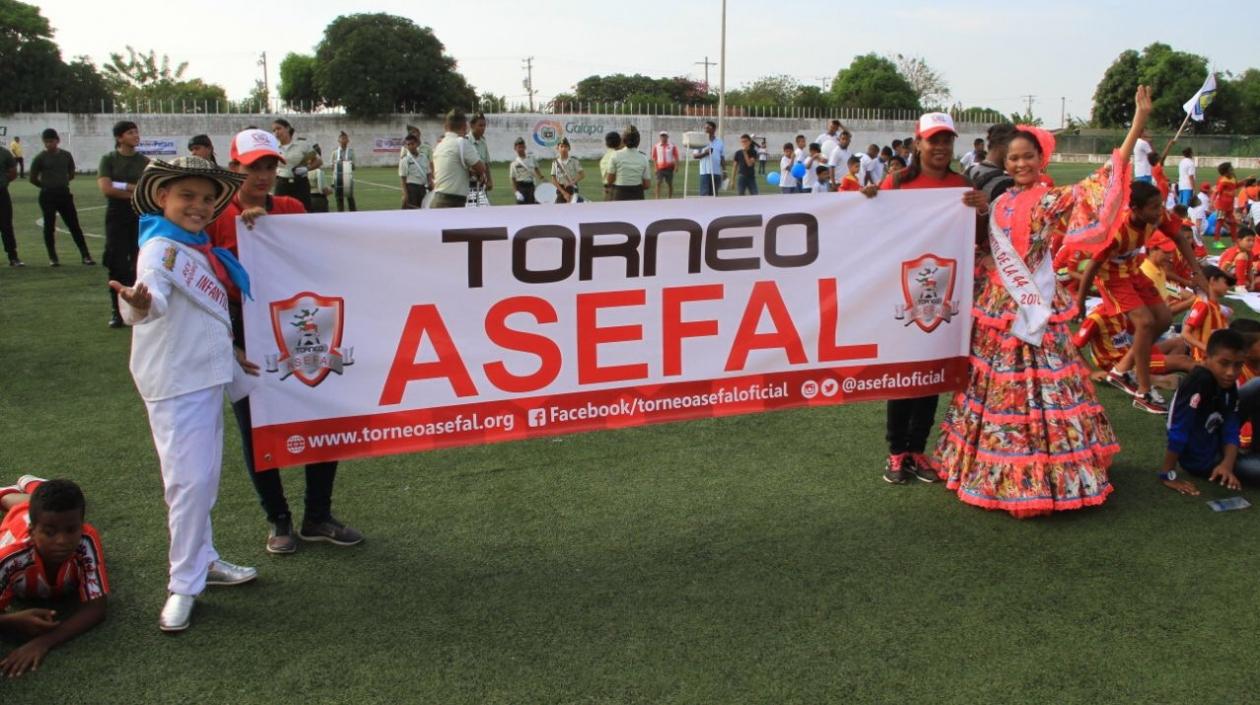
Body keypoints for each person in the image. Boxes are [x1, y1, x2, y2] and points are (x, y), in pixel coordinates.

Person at [934, 86, 1157, 518]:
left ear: (1041, 160)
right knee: (995, 387)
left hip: (1031, 305)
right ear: (1006, 160)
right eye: (1014, 158)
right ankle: (990, 468)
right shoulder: (1000, 198)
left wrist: (1137, 125)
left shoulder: (1054, 198)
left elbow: (1105, 177)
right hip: (998, 303)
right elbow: (985, 243)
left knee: (1043, 388)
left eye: (1028, 158)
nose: (1020, 164)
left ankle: (1049, 473)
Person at [109, 156, 259, 631]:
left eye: (207, 198)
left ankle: (204, 560)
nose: (198, 206)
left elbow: (202, 314)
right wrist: (137, 303)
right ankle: (183, 582)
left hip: (204, 374)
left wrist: (230, 352)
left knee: (203, 478)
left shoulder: (193, 245)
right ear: (162, 198)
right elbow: (150, 298)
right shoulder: (159, 249)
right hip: (176, 382)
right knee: (189, 484)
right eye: (187, 196)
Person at [205, 129, 365, 558]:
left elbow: (318, 260)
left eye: (269, 166)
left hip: (298, 326)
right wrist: (229, 341)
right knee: (256, 428)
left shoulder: (292, 207)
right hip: (242, 328)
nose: (262, 175)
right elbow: (208, 286)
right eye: (252, 166)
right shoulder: (217, 216)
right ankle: (278, 519)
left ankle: (317, 516)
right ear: (233, 166)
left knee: (320, 418)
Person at [863, 113, 989, 484]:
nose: (940, 147)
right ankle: (897, 452)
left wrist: (981, 208)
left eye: (946, 140)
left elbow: (978, 237)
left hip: (946, 291)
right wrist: (869, 199)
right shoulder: (899, 183)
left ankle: (918, 448)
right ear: (918, 143)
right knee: (905, 374)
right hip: (902, 290)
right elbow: (869, 224)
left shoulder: (962, 183)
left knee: (933, 374)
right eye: (933, 140)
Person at [1077, 181, 1205, 413]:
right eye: (1154, 207)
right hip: (1112, 278)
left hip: (1133, 270)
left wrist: (1197, 272)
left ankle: (1121, 370)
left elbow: (1179, 238)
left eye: (1160, 205)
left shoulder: (1156, 217)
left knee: (1164, 319)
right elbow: (1091, 269)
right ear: (1135, 208)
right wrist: (1080, 304)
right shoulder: (1117, 231)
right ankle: (1143, 391)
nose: (1159, 211)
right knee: (1145, 322)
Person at [0, 477, 108, 678]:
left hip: (35, 517)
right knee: (18, 506)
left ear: (81, 527)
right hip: (17, 522)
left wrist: (43, 642)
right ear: (33, 533)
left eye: (71, 530)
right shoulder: (9, 559)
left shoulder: (86, 539)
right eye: (49, 533)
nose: (62, 541)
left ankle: (34, 486)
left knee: (37, 505)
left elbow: (97, 608)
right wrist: (10, 620)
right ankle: (15, 489)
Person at [1159, 328, 1247, 495]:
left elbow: (1231, 424)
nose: (1231, 372)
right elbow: (1178, 428)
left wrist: (1227, 464)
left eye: (1238, 366)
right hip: (1203, 461)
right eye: (1224, 363)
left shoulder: (1229, 383)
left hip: (1221, 448)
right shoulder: (1198, 382)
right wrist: (1168, 474)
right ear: (1206, 358)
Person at [98, 120, 150, 327]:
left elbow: (146, 190)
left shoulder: (144, 161)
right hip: (116, 215)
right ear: (119, 138)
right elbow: (106, 189)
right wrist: (131, 188)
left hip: (139, 214)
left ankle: (137, 309)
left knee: (139, 261)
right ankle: (116, 310)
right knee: (116, 261)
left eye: (136, 131)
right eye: (130, 133)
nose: (136, 135)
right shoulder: (109, 159)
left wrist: (124, 187)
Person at [29, 128, 93, 266]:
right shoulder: (40, 158)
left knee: (74, 225)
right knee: (49, 226)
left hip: (63, 193)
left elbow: (71, 171)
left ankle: (85, 255)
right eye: (46, 142)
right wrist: (46, 185)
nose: (48, 144)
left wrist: (62, 182)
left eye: (51, 141)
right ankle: (53, 257)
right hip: (47, 195)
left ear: (57, 141)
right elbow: (32, 178)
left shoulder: (66, 155)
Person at [430, 110, 487, 209]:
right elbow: (481, 168)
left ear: (445, 127)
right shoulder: (462, 143)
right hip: (452, 202)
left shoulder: (439, 145)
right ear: (465, 127)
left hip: (437, 199)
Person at [1182, 264, 1233, 362]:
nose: (1227, 287)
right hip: (1203, 358)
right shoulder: (1203, 305)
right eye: (1225, 282)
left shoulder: (1216, 306)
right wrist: (1207, 348)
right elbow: (1185, 333)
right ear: (1213, 280)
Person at [272, 118, 320, 211]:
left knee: (304, 210)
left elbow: (318, 161)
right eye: (274, 130)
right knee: (280, 211)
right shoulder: (273, 148)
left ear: (288, 128)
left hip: (300, 183)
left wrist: (307, 168)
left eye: (279, 128)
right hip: (281, 183)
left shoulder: (302, 145)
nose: (276, 132)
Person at [606, 126, 651, 201]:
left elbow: (609, 180)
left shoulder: (615, 155)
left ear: (623, 140)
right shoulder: (644, 157)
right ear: (638, 141)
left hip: (619, 194)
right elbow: (647, 185)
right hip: (637, 194)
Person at [0, 139, 22, 267]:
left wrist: (3, 181)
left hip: (1, 193)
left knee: (6, 225)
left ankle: (13, 257)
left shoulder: (5, 153)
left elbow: (13, 172)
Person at [693, 120, 724, 197]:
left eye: (708, 128)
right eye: (705, 128)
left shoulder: (720, 142)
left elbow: (722, 157)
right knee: (704, 195)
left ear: (714, 129)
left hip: (716, 173)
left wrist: (724, 171)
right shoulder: (700, 141)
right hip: (705, 172)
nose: (706, 129)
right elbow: (695, 156)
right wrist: (705, 153)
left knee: (714, 195)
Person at [398, 134, 430, 209]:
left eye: (412, 144)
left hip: (422, 188)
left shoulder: (424, 157)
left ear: (417, 144)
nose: (410, 146)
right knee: (412, 212)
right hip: (411, 189)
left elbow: (428, 173)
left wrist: (430, 183)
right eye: (408, 144)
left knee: (422, 211)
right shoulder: (405, 160)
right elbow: (403, 179)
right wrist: (405, 194)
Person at [509, 137, 544, 204]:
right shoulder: (513, 164)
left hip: (531, 186)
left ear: (525, 147)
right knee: (521, 209)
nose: (520, 149)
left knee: (533, 206)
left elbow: (536, 168)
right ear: (515, 148)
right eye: (518, 147)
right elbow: (513, 179)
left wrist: (542, 178)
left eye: (522, 147)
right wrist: (516, 192)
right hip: (521, 187)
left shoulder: (531, 158)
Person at [550, 137, 584, 203]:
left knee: (574, 210)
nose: (563, 149)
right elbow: (554, 180)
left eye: (565, 147)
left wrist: (572, 182)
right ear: (558, 148)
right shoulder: (555, 162)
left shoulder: (574, 161)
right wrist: (564, 193)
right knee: (559, 210)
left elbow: (582, 174)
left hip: (572, 189)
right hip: (561, 190)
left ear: (569, 148)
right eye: (561, 146)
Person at [1212, 162, 1238, 246]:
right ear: (1226, 171)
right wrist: (1212, 201)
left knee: (1233, 223)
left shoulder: (1233, 178)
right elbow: (1217, 191)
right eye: (1231, 168)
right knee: (1219, 222)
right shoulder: (1222, 180)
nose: (1232, 169)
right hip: (1221, 206)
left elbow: (1235, 186)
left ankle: (1235, 241)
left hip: (1230, 206)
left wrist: (1245, 181)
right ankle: (1216, 241)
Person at [331, 131, 357, 212]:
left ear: (348, 141)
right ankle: (340, 215)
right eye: (342, 138)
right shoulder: (335, 152)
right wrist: (339, 164)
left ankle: (354, 215)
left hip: (348, 179)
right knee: (339, 199)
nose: (344, 140)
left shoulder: (351, 152)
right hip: (338, 179)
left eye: (345, 138)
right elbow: (332, 167)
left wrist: (348, 164)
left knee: (350, 198)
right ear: (338, 141)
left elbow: (354, 167)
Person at [469, 113, 493, 198]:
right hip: (469, 184)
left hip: (482, 183)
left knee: (482, 208)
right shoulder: (466, 141)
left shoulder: (483, 142)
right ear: (472, 125)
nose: (483, 128)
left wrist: (489, 180)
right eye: (480, 125)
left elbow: (486, 163)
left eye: (484, 126)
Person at [650, 131, 679, 199]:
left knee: (669, 183)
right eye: (662, 136)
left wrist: (676, 166)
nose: (663, 137)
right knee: (658, 182)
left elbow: (676, 156)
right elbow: (654, 158)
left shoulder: (672, 146)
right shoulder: (656, 146)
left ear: (667, 137)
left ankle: (669, 198)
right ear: (660, 137)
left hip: (669, 168)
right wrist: (655, 168)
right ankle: (657, 198)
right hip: (660, 168)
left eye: (664, 136)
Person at [599, 131, 622, 201]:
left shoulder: (604, 158)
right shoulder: (620, 156)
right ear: (620, 142)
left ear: (606, 144)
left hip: (606, 189)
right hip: (618, 189)